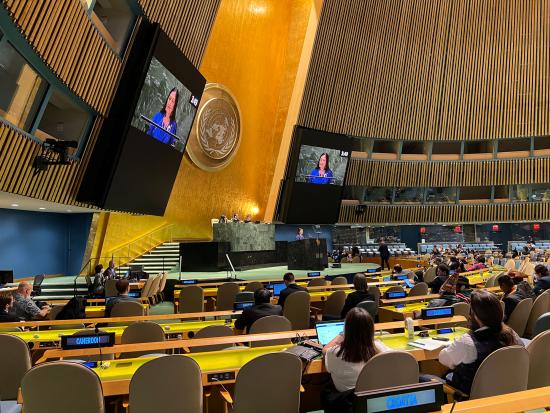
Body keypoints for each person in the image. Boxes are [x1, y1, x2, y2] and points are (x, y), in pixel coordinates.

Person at [438, 290, 523, 395]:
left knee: (425, 378)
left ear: (476, 316)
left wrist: (452, 346)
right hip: (506, 394)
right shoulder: (512, 334)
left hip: (471, 398)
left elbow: (444, 359)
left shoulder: (466, 342)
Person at [321, 308, 390, 412]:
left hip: (347, 405)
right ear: (371, 329)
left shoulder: (334, 352)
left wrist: (340, 335)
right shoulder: (381, 349)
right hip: (376, 402)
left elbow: (325, 350)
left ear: (346, 329)